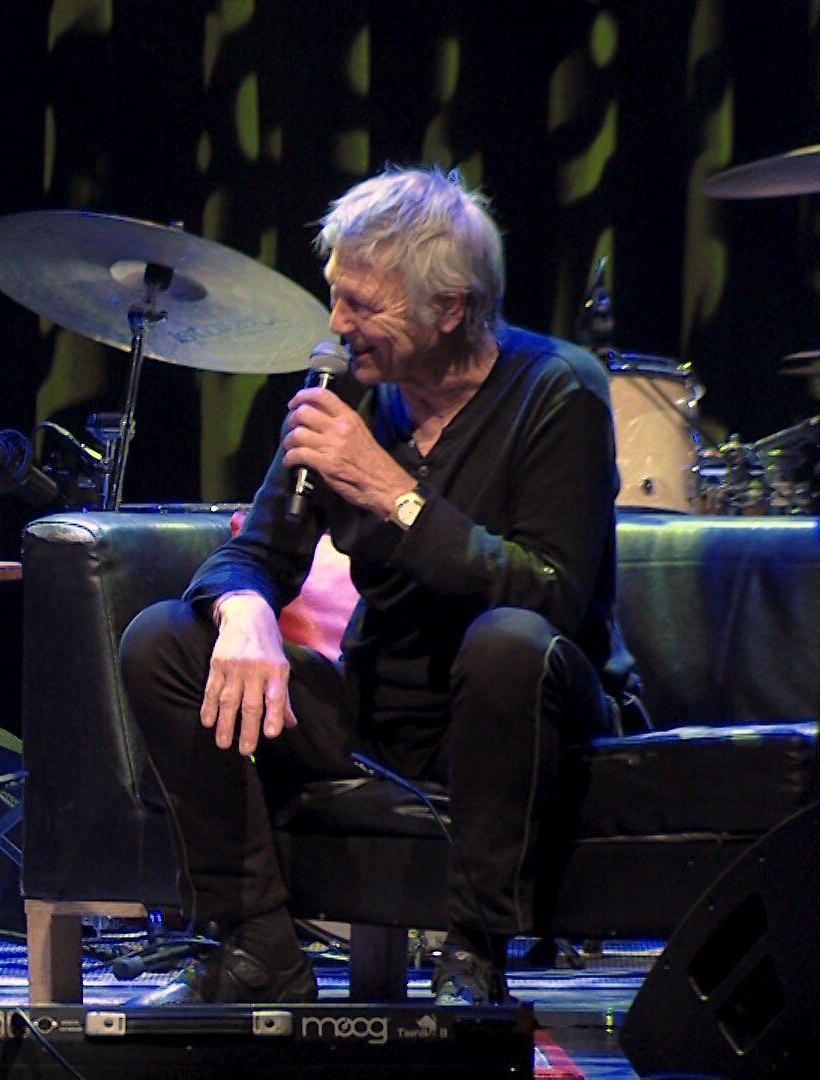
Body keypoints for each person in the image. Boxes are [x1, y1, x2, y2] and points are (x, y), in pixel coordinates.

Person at [118, 166, 636, 1006]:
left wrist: (390, 493)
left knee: (504, 641)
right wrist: (245, 608)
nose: (336, 327)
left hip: (529, 710)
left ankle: (474, 954)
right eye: (336, 297)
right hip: (380, 716)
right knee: (162, 640)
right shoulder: (351, 399)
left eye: (363, 306)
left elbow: (547, 596)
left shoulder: (558, 390)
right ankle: (257, 945)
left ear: (452, 309)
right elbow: (252, 555)